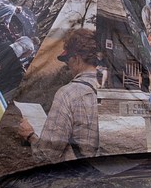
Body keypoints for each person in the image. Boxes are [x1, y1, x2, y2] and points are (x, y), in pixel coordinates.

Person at [18, 28, 100, 163]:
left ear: (77, 58)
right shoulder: (113, 88)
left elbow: (47, 155)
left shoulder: (68, 94)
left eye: (68, 61)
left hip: (77, 172)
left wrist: (30, 135)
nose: (68, 66)